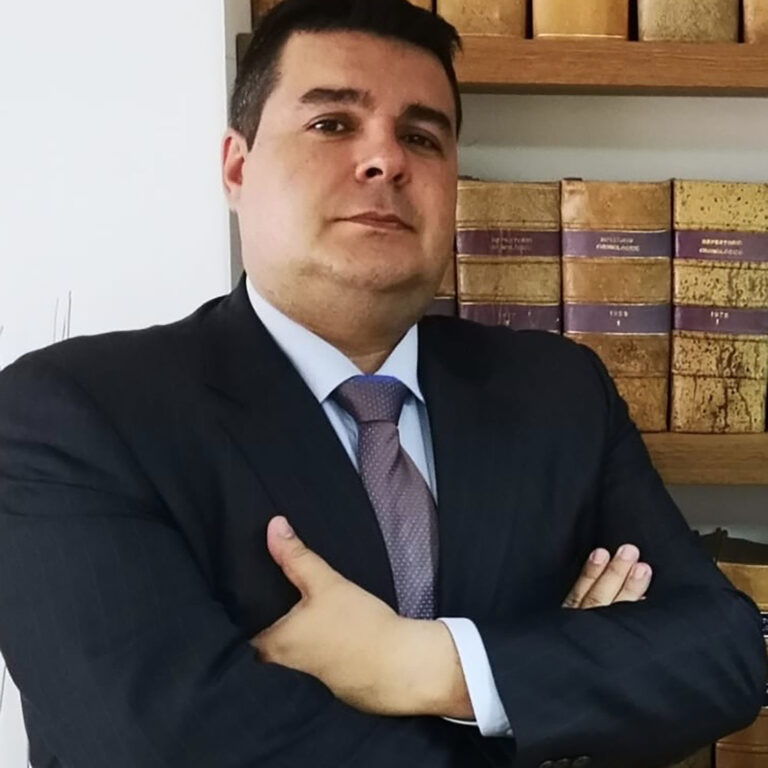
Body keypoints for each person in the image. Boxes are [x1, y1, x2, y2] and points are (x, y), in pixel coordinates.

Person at [0, 1, 764, 766]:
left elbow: (725, 656)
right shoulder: (70, 415)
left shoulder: (557, 392)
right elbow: (160, 748)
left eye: (422, 137)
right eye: (332, 123)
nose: (386, 160)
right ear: (237, 167)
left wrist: (427, 666)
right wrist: (547, 693)